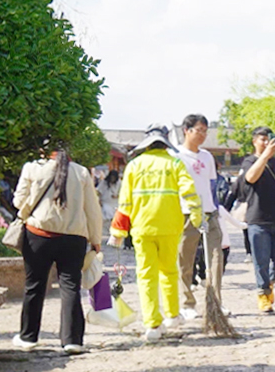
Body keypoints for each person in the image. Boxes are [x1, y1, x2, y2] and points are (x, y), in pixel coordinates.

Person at [108, 125, 201, 340]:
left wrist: (118, 232)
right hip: (170, 227)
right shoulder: (175, 163)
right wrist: (197, 217)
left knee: (146, 275)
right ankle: (172, 315)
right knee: (169, 271)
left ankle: (152, 324)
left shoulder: (134, 165)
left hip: (142, 228)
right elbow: (189, 191)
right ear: (166, 141)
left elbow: (125, 202)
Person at [11, 145, 103, 354]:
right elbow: (92, 209)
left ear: (44, 151)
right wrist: (96, 239)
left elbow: (18, 201)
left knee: (34, 285)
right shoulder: (81, 172)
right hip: (74, 238)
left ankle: (28, 337)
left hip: (38, 234)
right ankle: (72, 340)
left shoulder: (32, 168)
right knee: (70, 286)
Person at [239, 126, 275, 314]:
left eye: (269, 139)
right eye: (262, 139)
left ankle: (268, 284)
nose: (266, 142)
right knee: (261, 260)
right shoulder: (250, 161)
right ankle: (263, 294)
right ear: (254, 141)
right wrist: (264, 156)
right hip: (258, 220)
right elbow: (250, 177)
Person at [175, 114, 222, 321]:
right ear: (186, 130)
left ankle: (215, 301)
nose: (202, 135)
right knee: (185, 258)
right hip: (185, 212)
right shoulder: (176, 155)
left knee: (216, 257)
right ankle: (186, 302)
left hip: (209, 211)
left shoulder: (207, 157)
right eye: (198, 130)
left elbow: (211, 184)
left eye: (205, 130)